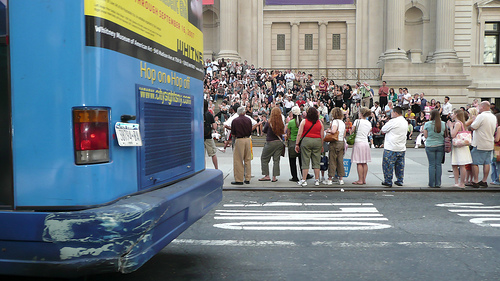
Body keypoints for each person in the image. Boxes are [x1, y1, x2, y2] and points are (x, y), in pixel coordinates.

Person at [469, 101, 497, 188]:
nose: (479, 108)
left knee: (474, 162)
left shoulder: (481, 116)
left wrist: (473, 119)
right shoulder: (493, 116)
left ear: (483, 107)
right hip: (489, 142)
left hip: (480, 143)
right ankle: (484, 180)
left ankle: (476, 180)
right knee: (486, 163)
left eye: (480, 107)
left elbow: (473, 127)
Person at [295, 107, 324, 186]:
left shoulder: (304, 121)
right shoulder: (320, 122)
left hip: (306, 140)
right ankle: (317, 179)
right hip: (317, 141)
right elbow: (322, 135)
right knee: (316, 161)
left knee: (305, 160)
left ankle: (304, 180)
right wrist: (321, 145)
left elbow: (299, 133)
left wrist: (297, 144)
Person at [381, 106, 408, 187]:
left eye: (392, 112)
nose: (391, 114)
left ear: (395, 113)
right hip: (401, 147)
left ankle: (388, 180)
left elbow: (383, 129)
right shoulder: (404, 121)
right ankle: (400, 180)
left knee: (388, 165)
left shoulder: (393, 121)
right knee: (400, 165)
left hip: (391, 147)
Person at [258, 107, 285, 182]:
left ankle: (266, 175)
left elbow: (264, 131)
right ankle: (274, 177)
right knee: (276, 160)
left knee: (264, 158)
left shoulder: (269, 122)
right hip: (279, 143)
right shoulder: (281, 122)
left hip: (270, 142)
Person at [230, 106, 256, 185]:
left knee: (238, 160)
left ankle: (239, 179)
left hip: (239, 140)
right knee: (247, 160)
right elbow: (251, 129)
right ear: (244, 112)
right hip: (248, 139)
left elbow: (233, 133)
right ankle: (247, 178)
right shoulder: (248, 120)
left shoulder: (235, 121)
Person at [447, 109, 472, 188]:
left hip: (459, 146)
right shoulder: (462, 123)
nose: (451, 115)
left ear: (456, 114)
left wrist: (451, 127)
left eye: (453, 114)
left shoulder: (458, 123)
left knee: (460, 164)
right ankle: (458, 182)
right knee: (456, 164)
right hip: (461, 145)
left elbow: (453, 134)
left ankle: (460, 182)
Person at [350, 107, 372, 185]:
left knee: (359, 162)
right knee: (364, 162)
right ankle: (364, 179)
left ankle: (360, 179)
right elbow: (369, 132)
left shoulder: (357, 121)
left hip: (358, 142)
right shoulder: (369, 123)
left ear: (361, 114)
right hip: (365, 142)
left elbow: (352, 131)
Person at [424, 109, 445, 188]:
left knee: (432, 164)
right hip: (440, 144)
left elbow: (426, 136)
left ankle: (431, 183)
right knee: (438, 164)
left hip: (430, 145)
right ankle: (438, 183)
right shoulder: (443, 124)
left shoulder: (427, 124)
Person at [326, 108, 346, 185]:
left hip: (335, 142)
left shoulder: (335, 121)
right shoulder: (342, 123)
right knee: (340, 160)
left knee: (332, 160)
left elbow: (334, 131)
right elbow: (344, 134)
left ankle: (330, 178)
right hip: (341, 142)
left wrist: (328, 130)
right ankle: (341, 179)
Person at [204, 100, 218, 169]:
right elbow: (215, 126)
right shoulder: (209, 114)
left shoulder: (198, 113)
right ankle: (216, 168)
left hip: (200, 137)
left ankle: (203, 169)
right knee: (213, 154)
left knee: (202, 156)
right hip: (208, 137)